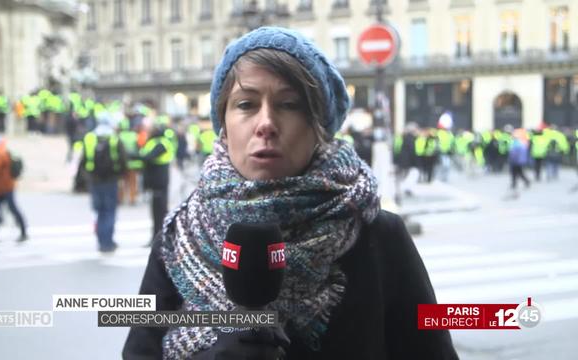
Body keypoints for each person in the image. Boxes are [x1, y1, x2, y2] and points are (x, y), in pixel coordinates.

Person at [123, 27, 458, 359]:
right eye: (246, 104)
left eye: (289, 104)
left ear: (320, 128)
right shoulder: (178, 237)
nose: (266, 123)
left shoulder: (380, 236)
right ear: (223, 127)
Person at [78, 113, 128, 252]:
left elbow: (82, 161)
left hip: (94, 180)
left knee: (99, 211)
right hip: (111, 180)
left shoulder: (89, 138)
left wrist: (85, 178)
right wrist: (121, 175)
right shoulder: (114, 138)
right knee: (110, 211)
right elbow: (123, 159)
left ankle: (101, 241)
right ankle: (108, 242)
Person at [140, 124, 175, 244]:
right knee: (156, 212)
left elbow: (148, 157)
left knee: (160, 213)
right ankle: (157, 237)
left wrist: (138, 156)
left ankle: (161, 238)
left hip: (160, 182)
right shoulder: (154, 142)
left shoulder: (161, 143)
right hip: (155, 183)